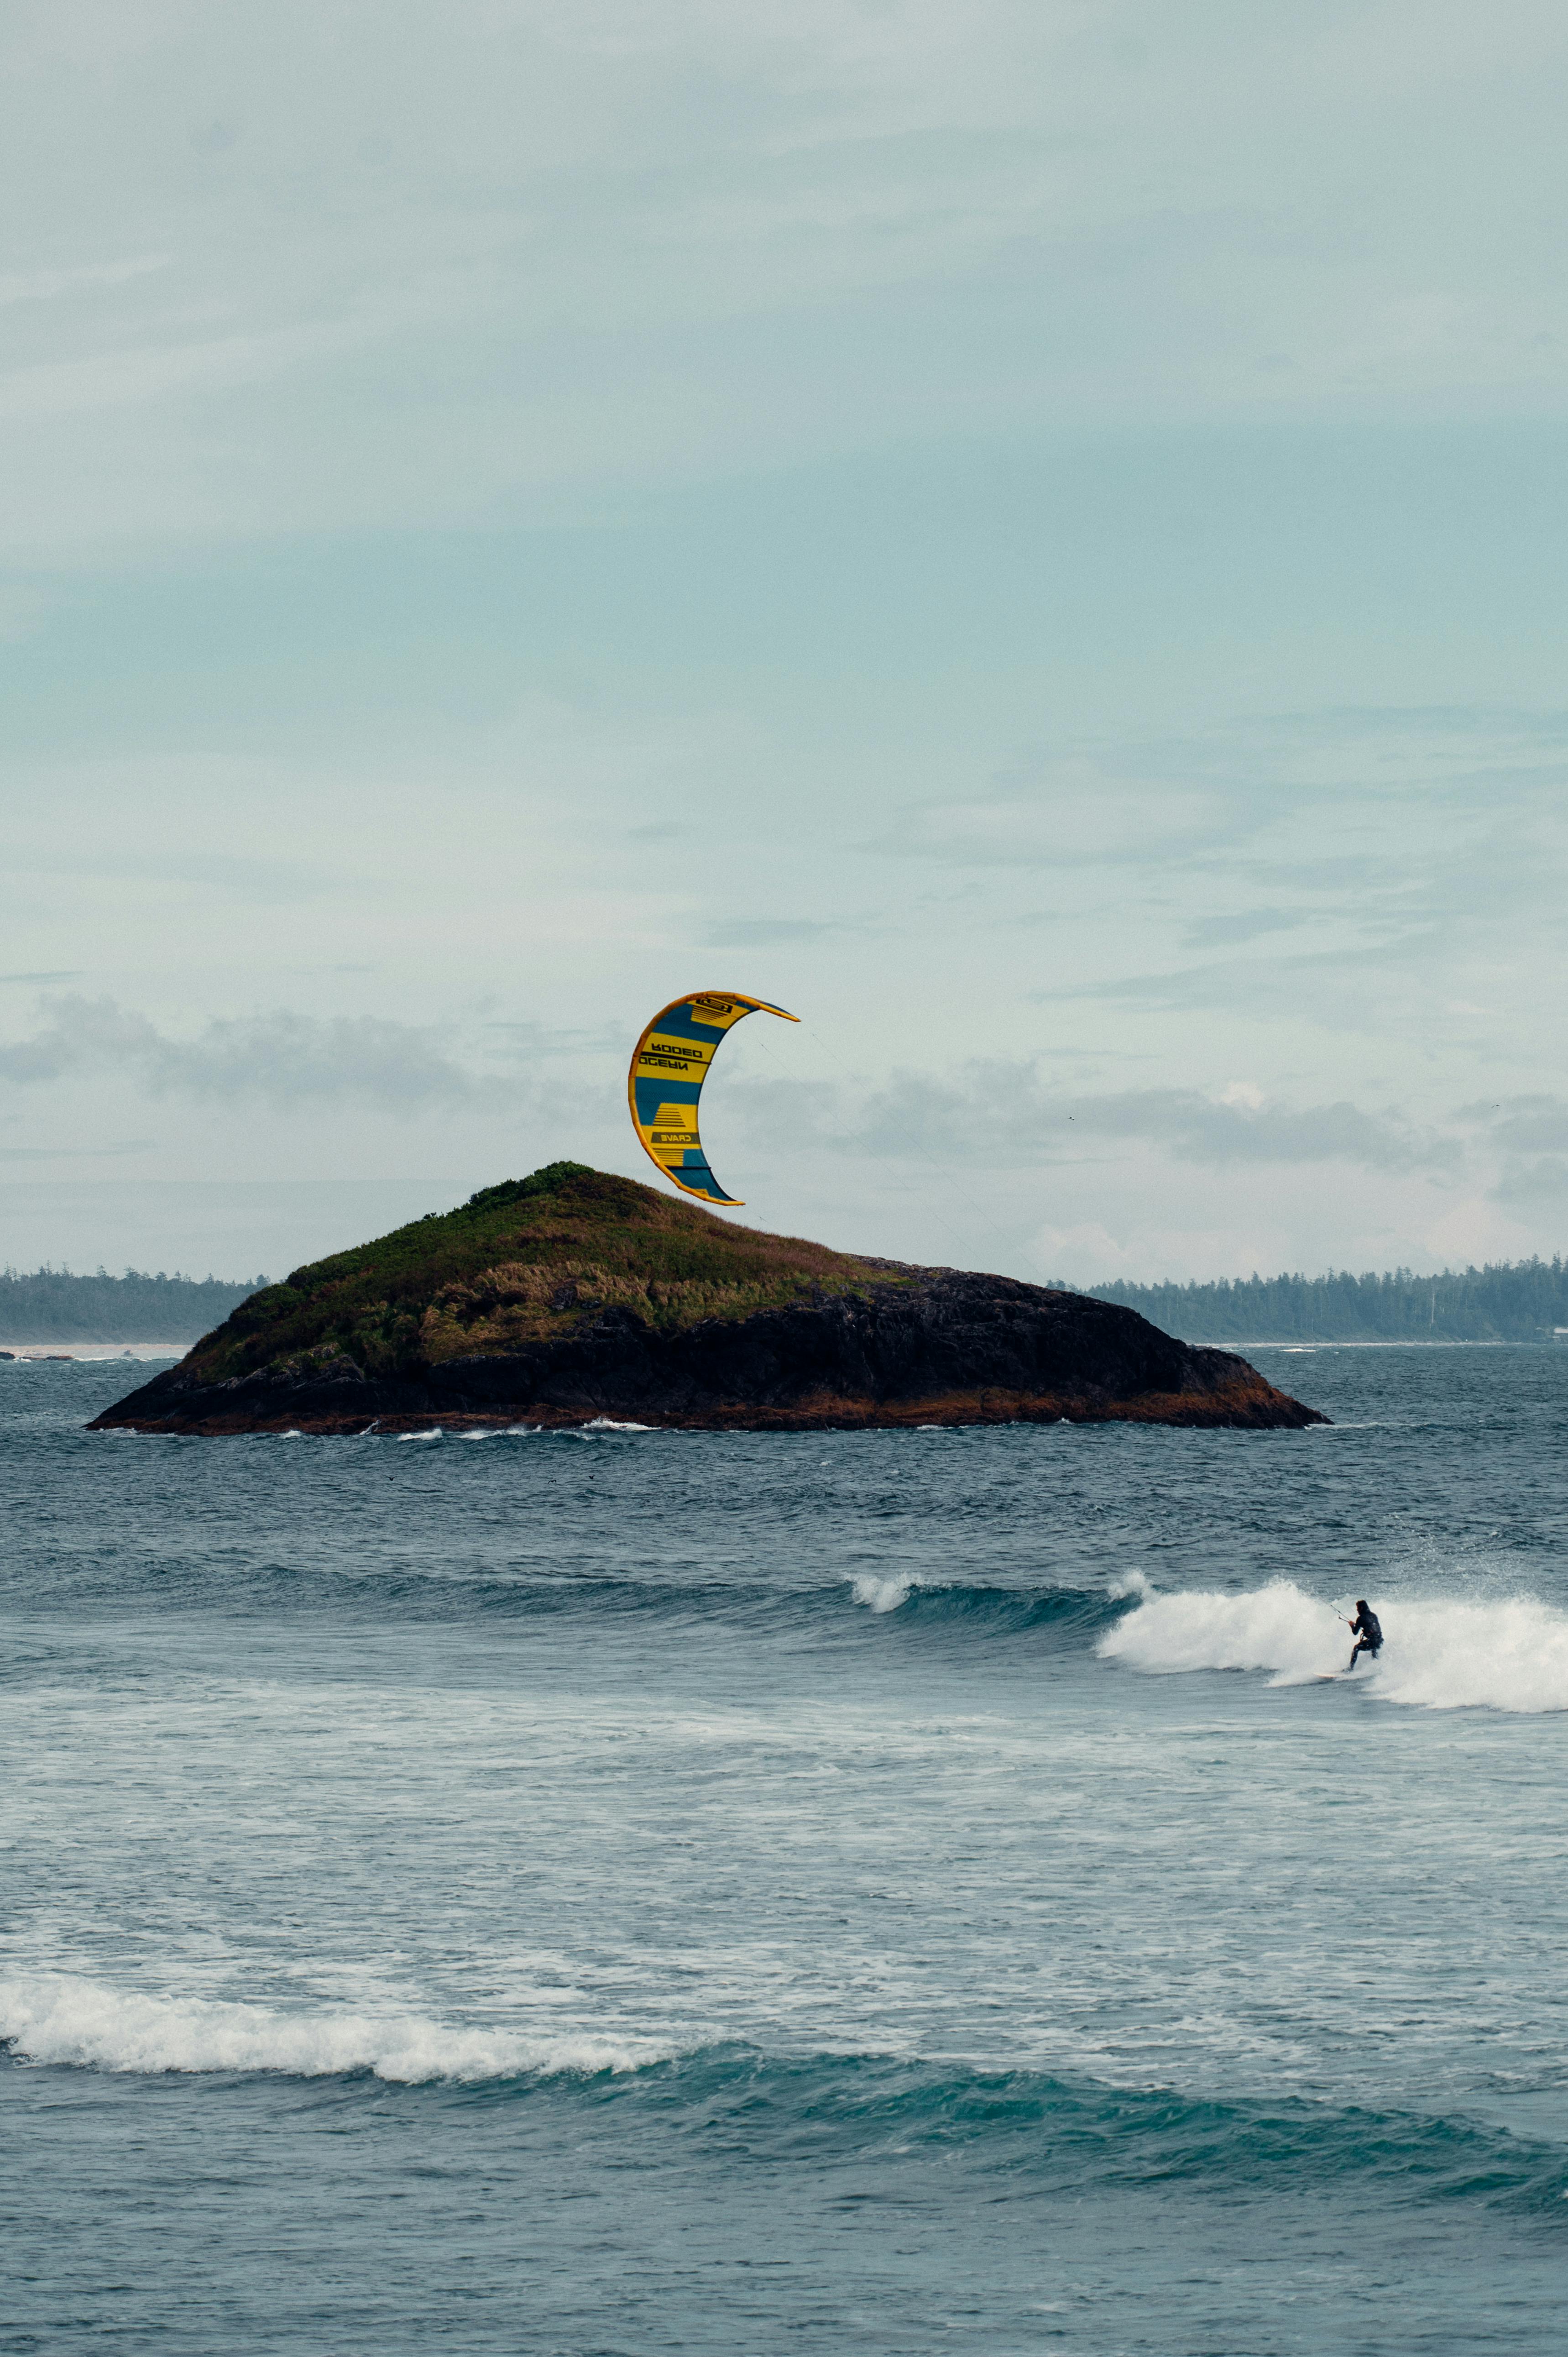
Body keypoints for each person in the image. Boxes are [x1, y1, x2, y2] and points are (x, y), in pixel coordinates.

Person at [1346, 1599, 1383, 1673]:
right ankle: (1377, 1668)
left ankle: (1350, 1669)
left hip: (1372, 1641)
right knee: (1374, 1649)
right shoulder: (1374, 1615)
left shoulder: (1360, 1619)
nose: (1357, 1610)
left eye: (1358, 1608)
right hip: (1380, 1641)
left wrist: (1352, 1626)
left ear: (1361, 1608)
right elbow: (1373, 1628)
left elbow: (1355, 1632)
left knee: (1356, 1648)